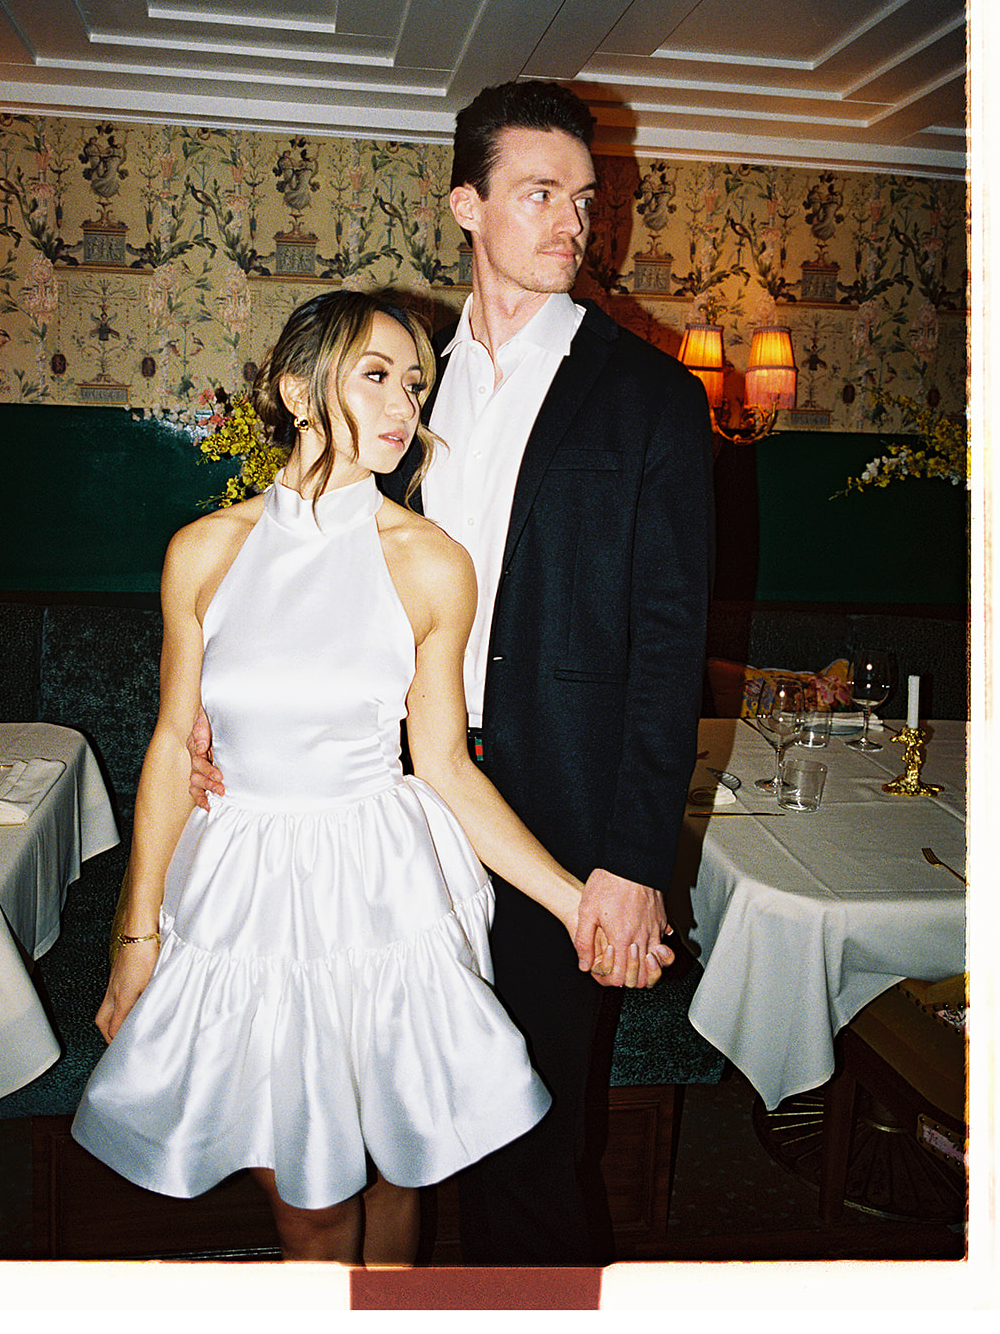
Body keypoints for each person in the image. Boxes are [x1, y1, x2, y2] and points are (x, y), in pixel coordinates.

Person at [189, 80, 715, 1264]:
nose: (572, 223)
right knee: (391, 1126)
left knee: (529, 1136)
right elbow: (309, 547)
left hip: (555, 807)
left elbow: (666, 645)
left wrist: (629, 861)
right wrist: (226, 713)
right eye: (539, 195)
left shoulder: (649, 397)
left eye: (583, 200)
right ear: (465, 205)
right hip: (383, 805)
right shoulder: (400, 378)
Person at [71, 290, 625, 1267]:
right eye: (375, 375)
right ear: (296, 389)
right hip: (245, 889)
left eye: (415, 383)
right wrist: (134, 937)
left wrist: (576, 902)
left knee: (393, 1174)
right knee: (311, 1206)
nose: (404, 404)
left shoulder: (429, 563)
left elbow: (446, 766)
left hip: (380, 890)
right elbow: (169, 744)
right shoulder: (205, 552)